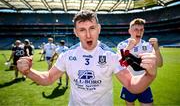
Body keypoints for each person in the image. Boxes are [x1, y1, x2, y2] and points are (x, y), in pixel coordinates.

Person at [17, 10, 157, 106]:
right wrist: (28, 72)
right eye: (82, 30)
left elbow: (132, 85)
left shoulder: (110, 55)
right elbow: (48, 78)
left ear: (99, 29)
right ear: (75, 32)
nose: (88, 35)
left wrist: (150, 75)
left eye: (92, 28)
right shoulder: (68, 55)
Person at [117, 18, 163, 106]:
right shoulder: (122, 45)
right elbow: (120, 64)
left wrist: (156, 49)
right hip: (129, 84)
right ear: (129, 31)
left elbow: (159, 64)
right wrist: (128, 48)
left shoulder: (147, 45)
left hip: (144, 83)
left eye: (141, 30)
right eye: (136, 30)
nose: (139, 32)